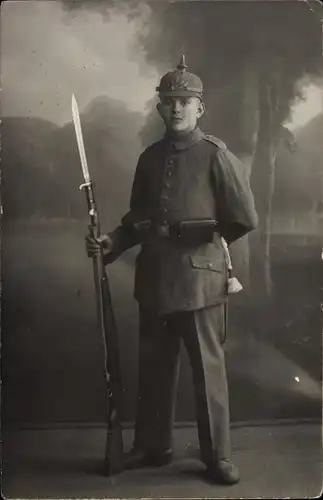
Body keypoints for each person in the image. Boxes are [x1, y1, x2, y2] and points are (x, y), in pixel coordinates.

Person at [86, 55, 258, 485]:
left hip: (201, 282)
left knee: (208, 372)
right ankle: (153, 446)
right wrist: (113, 243)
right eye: (169, 100)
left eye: (185, 100)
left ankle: (217, 456)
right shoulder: (149, 158)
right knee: (155, 368)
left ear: (200, 107)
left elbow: (243, 217)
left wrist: (202, 237)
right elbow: (138, 218)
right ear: (160, 107)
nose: (177, 107)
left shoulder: (216, 155)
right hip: (156, 281)